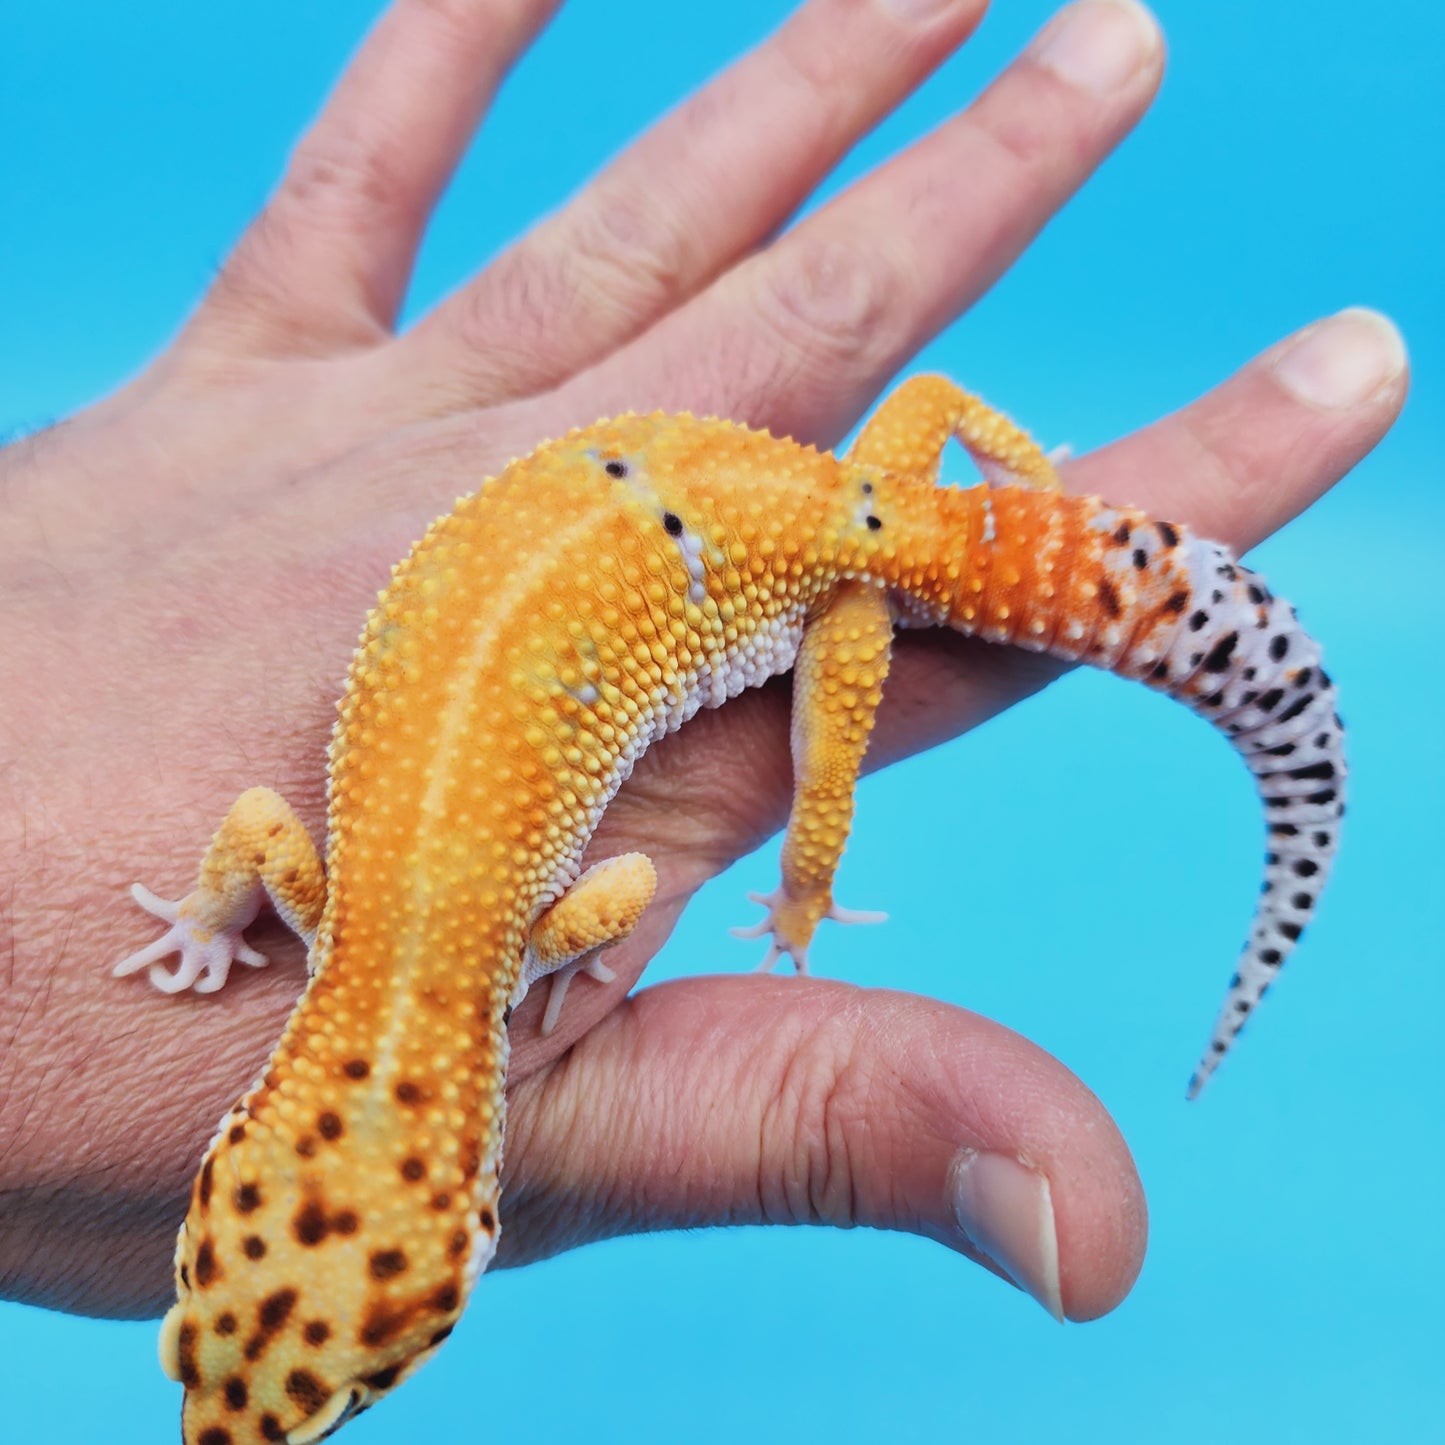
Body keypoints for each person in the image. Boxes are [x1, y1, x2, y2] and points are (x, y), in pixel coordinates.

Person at [0, 0, 1406, 1326]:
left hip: (825, 565)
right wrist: (211, 916)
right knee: (850, 637)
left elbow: (616, 885)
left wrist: (792, 897)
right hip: (779, 504)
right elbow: (263, 831)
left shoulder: (511, 943)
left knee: (815, 766)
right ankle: (1037, 561)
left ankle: (822, 877)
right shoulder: (320, 904)